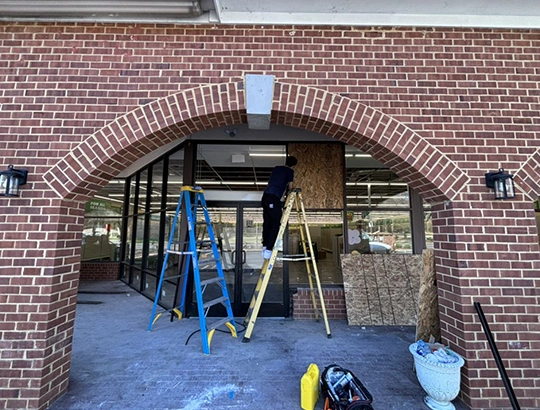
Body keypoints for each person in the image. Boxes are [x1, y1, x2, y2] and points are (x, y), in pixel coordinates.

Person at [261, 155, 298, 259]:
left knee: (267, 222)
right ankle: (268, 249)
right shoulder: (290, 171)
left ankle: (265, 246)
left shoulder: (277, 168)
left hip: (265, 197)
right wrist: (291, 191)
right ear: (293, 166)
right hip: (273, 198)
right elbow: (290, 187)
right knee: (276, 223)